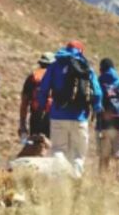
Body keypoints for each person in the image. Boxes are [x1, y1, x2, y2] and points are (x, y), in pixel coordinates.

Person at [37, 40, 103, 177]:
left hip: (58, 116)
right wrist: (96, 108)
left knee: (58, 150)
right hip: (80, 118)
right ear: (81, 51)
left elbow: (43, 88)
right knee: (78, 155)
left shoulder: (55, 66)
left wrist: (42, 106)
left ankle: (60, 183)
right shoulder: (86, 67)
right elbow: (97, 92)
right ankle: (75, 182)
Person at [20, 52, 54, 140]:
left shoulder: (32, 77)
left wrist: (22, 124)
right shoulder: (57, 78)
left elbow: (24, 103)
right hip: (52, 118)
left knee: (35, 147)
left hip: (35, 117)